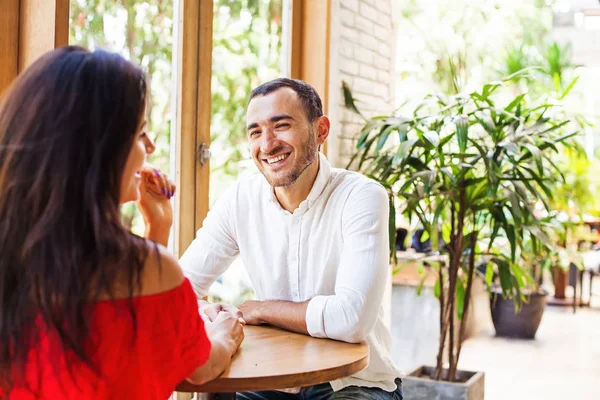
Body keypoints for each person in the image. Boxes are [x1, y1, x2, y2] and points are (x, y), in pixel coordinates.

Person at [0, 46, 243, 399]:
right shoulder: (149, 269)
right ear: (100, 149)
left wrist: (156, 233)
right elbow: (200, 369)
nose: (151, 147)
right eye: (140, 132)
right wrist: (224, 334)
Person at [178, 78, 403, 399]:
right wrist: (213, 316)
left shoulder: (362, 196)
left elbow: (352, 319)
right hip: (271, 378)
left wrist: (265, 309)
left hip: (354, 380)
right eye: (255, 132)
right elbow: (181, 292)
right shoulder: (240, 199)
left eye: (281, 126)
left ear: (321, 130)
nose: (267, 144)